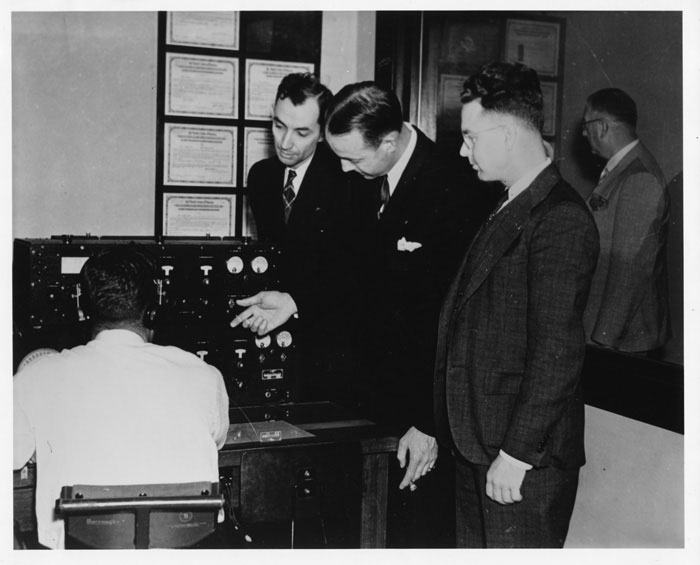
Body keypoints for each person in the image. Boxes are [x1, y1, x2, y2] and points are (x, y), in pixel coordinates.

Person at [234, 81, 494, 546]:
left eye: (353, 158)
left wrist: (427, 422)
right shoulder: (368, 175)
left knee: (411, 535)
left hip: (420, 413)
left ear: (389, 143)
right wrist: (296, 301)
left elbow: (453, 320)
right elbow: (357, 278)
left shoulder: (452, 189)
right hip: (367, 399)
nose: (343, 170)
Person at [433, 62, 599, 548]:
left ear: (505, 134)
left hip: (518, 461)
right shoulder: (510, 204)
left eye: (470, 137)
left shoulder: (560, 218)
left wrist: (517, 453)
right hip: (479, 446)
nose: (463, 151)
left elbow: (557, 351)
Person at [13, 247, 230, 549]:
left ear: (81, 307)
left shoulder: (36, 377)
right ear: (153, 308)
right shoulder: (206, 375)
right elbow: (218, 439)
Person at [247, 72, 357, 402]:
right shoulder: (261, 177)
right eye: (279, 125)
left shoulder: (349, 181)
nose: (285, 142)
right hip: (275, 342)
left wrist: (297, 303)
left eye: (301, 132)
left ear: (323, 133)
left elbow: (353, 274)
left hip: (330, 351)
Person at [581, 87, 670, 353]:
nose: (584, 134)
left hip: (623, 340)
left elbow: (629, 270)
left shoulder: (639, 178)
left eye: (587, 126)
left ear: (603, 127)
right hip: (616, 333)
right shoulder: (624, 169)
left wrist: (602, 340)